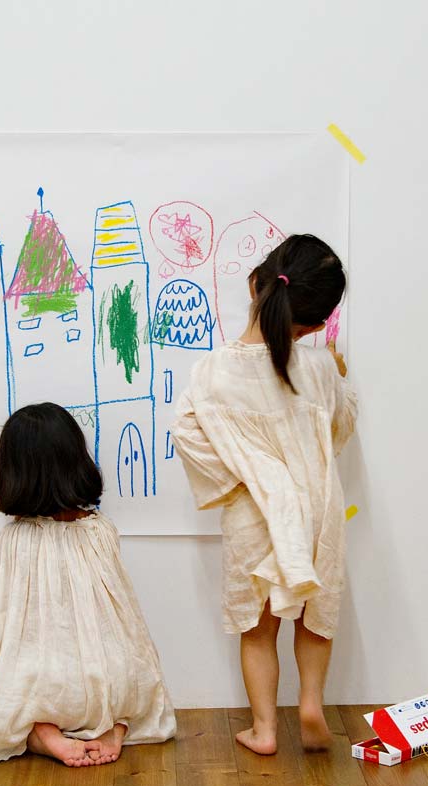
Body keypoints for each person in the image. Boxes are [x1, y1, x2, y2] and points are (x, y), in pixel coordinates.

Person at [0, 402, 176, 766]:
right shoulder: (100, 530)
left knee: (6, 695)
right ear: (76, 460)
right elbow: (123, 621)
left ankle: (44, 732)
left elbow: (22, 631)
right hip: (108, 679)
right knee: (135, 677)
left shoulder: (15, 539)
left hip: (47, 684)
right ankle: (113, 726)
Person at [171, 235, 356, 755]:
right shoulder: (319, 367)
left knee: (257, 627)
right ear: (318, 325)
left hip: (255, 515)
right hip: (317, 509)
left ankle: (265, 729)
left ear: (255, 284)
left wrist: (240, 478)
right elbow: (339, 428)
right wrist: (342, 376)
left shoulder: (211, 371)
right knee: (316, 615)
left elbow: (186, 433)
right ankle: (314, 704)